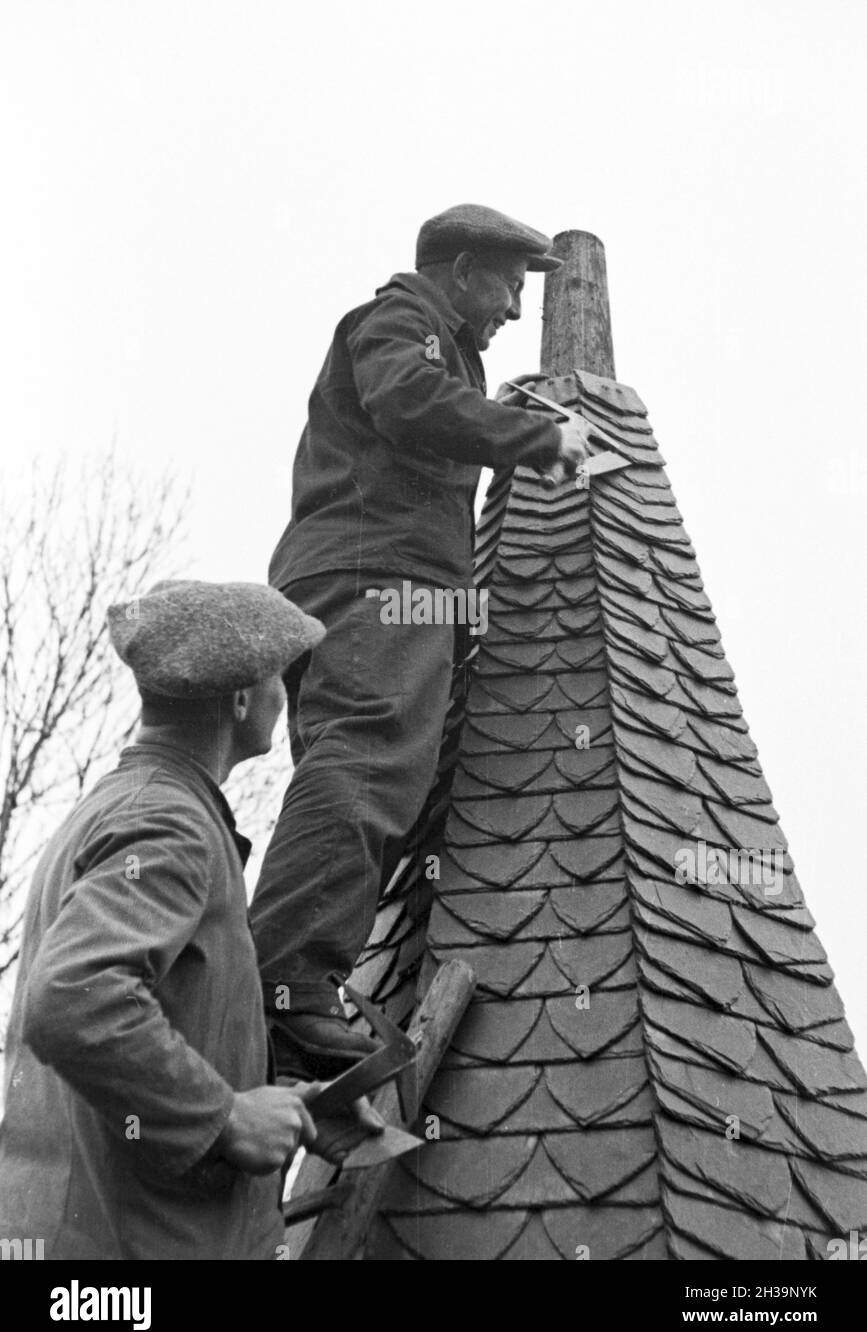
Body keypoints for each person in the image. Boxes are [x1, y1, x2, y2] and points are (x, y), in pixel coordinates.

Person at [250, 203, 591, 1081]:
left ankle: (298, 997)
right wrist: (541, 440)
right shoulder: (400, 320)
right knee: (368, 758)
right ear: (465, 267)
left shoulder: (451, 353)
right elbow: (408, 403)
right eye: (511, 284)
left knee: (378, 777)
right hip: (373, 577)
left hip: (397, 586)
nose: (515, 309)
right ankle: (282, 988)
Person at [0, 579, 379, 1261]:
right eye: (278, 677)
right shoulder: (168, 823)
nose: (283, 696)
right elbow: (69, 1002)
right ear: (238, 699)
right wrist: (225, 1116)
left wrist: (281, 1105)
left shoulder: (126, 806)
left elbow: (148, 1027)